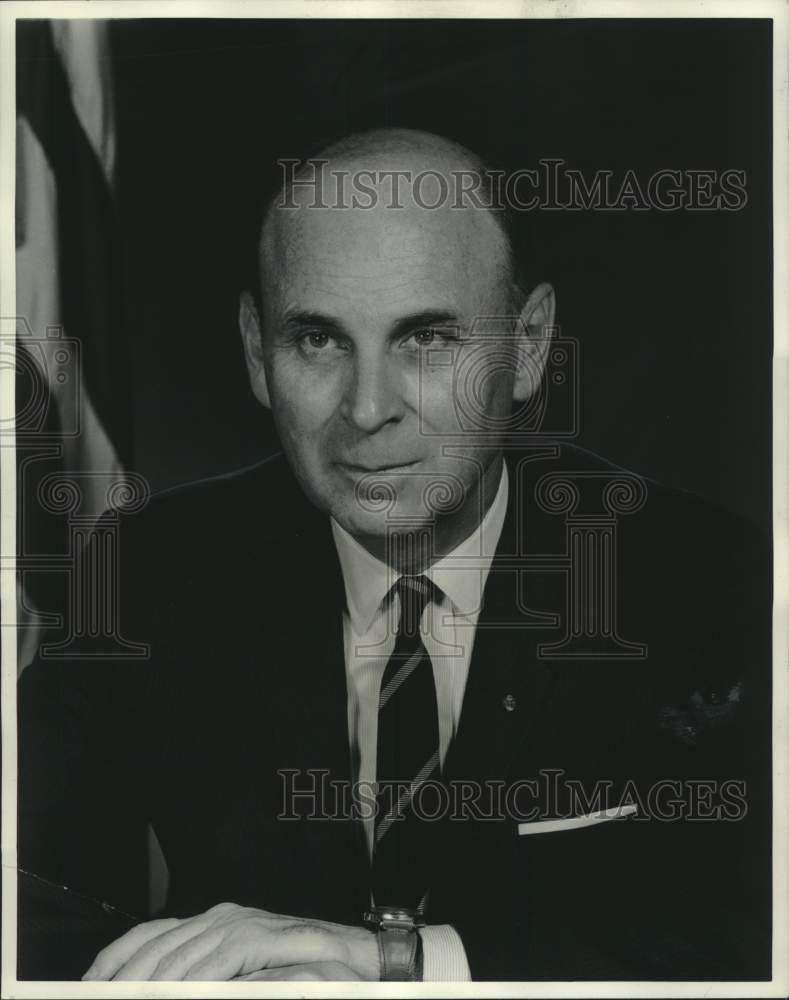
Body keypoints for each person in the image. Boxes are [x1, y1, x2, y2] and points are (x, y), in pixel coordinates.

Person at [18, 129, 771, 982]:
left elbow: (753, 933)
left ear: (527, 348)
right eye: (317, 340)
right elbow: (24, 898)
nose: (367, 409)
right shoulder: (139, 576)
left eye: (427, 340)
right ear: (254, 351)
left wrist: (399, 963)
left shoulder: (706, 582)